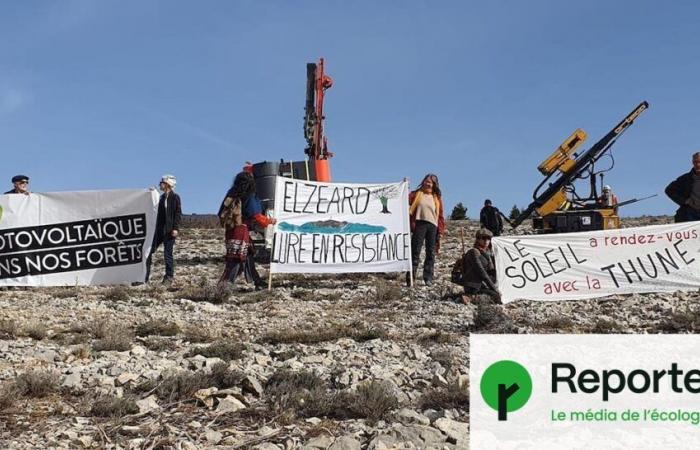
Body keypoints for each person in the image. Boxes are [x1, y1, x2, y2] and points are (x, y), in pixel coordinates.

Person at [218, 171, 276, 290]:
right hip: (242, 229)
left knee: (247, 254)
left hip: (230, 230)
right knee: (236, 258)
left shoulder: (232, 193)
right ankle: (223, 287)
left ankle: (257, 281)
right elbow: (256, 215)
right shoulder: (250, 194)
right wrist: (270, 221)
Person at [408, 173, 445, 286]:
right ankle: (411, 277)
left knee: (430, 253)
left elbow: (440, 215)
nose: (427, 183)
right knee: (415, 251)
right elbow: (405, 199)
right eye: (426, 181)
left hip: (433, 226)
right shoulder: (416, 194)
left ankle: (428, 278)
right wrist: (406, 185)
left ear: (434, 184)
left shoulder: (436, 198)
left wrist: (441, 231)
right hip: (419, 224)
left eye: (430, 182)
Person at [145, 175, 182, 284]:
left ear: (168, 184)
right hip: (159, 230)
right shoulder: (160, 198)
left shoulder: (175, 197)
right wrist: (150, 194)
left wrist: (175, 228)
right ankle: (144, 276)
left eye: (162, 182)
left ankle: (169, 277)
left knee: (168, 254)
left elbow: (178, 213)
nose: (160, 184)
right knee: (148, 251)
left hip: (169, 230)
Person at [461, 228, 501, 304]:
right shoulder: (473, 252)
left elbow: (491, 271)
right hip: (474, 285)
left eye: (488, 238)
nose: (486, 241)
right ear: (478, 239)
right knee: (496, 297)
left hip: (484, 283)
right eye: (483, 238)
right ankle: (471, 297)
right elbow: (481, 272)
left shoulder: (488, 253)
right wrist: (494, 288)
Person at [665, 152, 700, 223]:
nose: (697, 164)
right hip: (691, 214)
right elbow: (669, 190)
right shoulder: (685, 179)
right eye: (695, 162)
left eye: (699, 162)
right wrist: (685, 201)